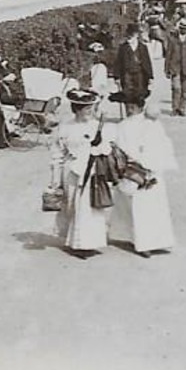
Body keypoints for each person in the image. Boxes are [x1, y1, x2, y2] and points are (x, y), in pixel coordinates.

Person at [108, 92, 178, 256]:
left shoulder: (140, 124)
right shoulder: (134, 125)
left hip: (144, 169)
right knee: (143, 207)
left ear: (137, 107)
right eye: (128, 106)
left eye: (131, 107)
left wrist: (146, 163)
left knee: (147, 207)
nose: (129, 110)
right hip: (140, 170)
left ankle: (151, 241)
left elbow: (160, 144)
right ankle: (144, 242)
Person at [49, 89, 115, 256]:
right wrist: (55, 180)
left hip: (93, 172)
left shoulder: (97, 126)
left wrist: (99, 145)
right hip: (73, 171)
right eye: (86, 109)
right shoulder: (64, 128)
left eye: (91, 108)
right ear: (77, 109)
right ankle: (75, 243)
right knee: (73, 206)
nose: (90, 112)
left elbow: (107, 151)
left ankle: (90, 242)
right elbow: (57, 154)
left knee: (90, 207)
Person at [163, 15, 186, 116]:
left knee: (185, 90)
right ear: (179, 28)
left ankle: (182, 108)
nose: (184, 30)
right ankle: (175, 108)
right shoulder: (173, 39)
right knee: (176, 88)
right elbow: (168, 54)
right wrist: (166, 69)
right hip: (175, 67)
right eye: (182, 28)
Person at [112, 23, 154, 107]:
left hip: (139, 73)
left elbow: (147, 62)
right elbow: (118, 63)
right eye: (129, 35)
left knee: (140, 94)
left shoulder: (143, 47)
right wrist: (116, 77)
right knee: (127, 94)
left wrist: (150, 76)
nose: (129, 37)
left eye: (132, 35)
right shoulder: (123, 48)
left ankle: (138, 113)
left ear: (137, 35)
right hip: (127, 73)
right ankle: (129, 113)